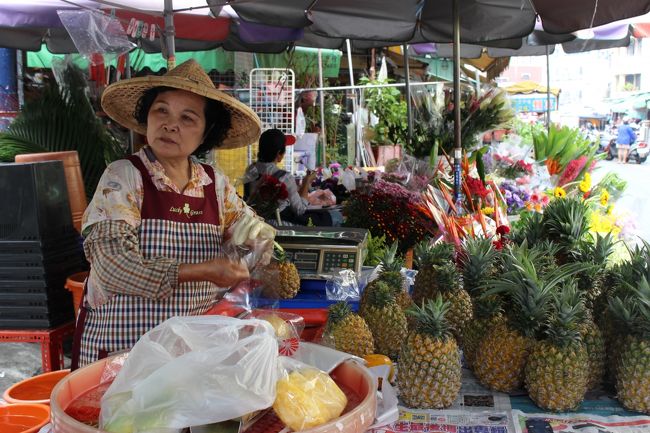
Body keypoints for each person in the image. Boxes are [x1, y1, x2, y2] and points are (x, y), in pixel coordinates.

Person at [72, 59, 276, 368]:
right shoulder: (124, 176)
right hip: (125, 353)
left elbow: (253, 236)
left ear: (206, 132)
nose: (170, 124)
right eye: (161, 110)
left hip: (193, 353)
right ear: (147, 117)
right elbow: (113, 267)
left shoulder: (215, 185)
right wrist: (202, 270)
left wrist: (255, 246)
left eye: (188, 118)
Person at [243, 128, 343, 226]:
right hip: (280, 224)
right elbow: (300, 210)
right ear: (279, 154)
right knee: (336, 216)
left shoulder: (250, 170)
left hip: (255, 223)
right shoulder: (284, 177)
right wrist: (306, 182)